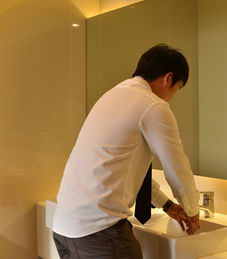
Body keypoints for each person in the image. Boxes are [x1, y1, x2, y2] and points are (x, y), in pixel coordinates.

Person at [52, 44, 200, 258]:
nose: (171, 97)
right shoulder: (153, 106)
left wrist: (167, 205)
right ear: (168, 78)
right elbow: (177, 167)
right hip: (99, 232)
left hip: (64, 229)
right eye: (176, 89)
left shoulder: (112, 96)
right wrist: (193, 211)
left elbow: (119, 168)